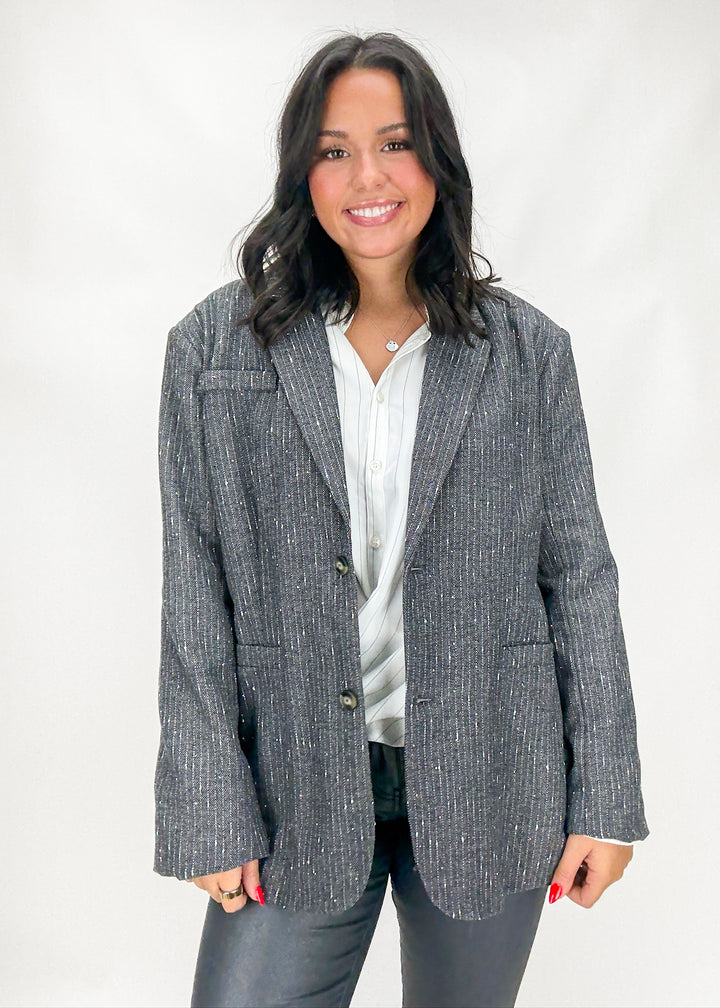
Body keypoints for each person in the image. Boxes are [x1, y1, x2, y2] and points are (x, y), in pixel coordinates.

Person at [153, 31, 649, 1008]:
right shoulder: (214, 349)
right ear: (303, 172)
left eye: (396, 142)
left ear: (438, 162)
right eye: (334, 150)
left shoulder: (529, 353)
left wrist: (607, 803)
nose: (367, 176)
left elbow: (580, 575)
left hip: (493, 778)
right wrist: (209, 805)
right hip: (291, 784)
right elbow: (193, 587)